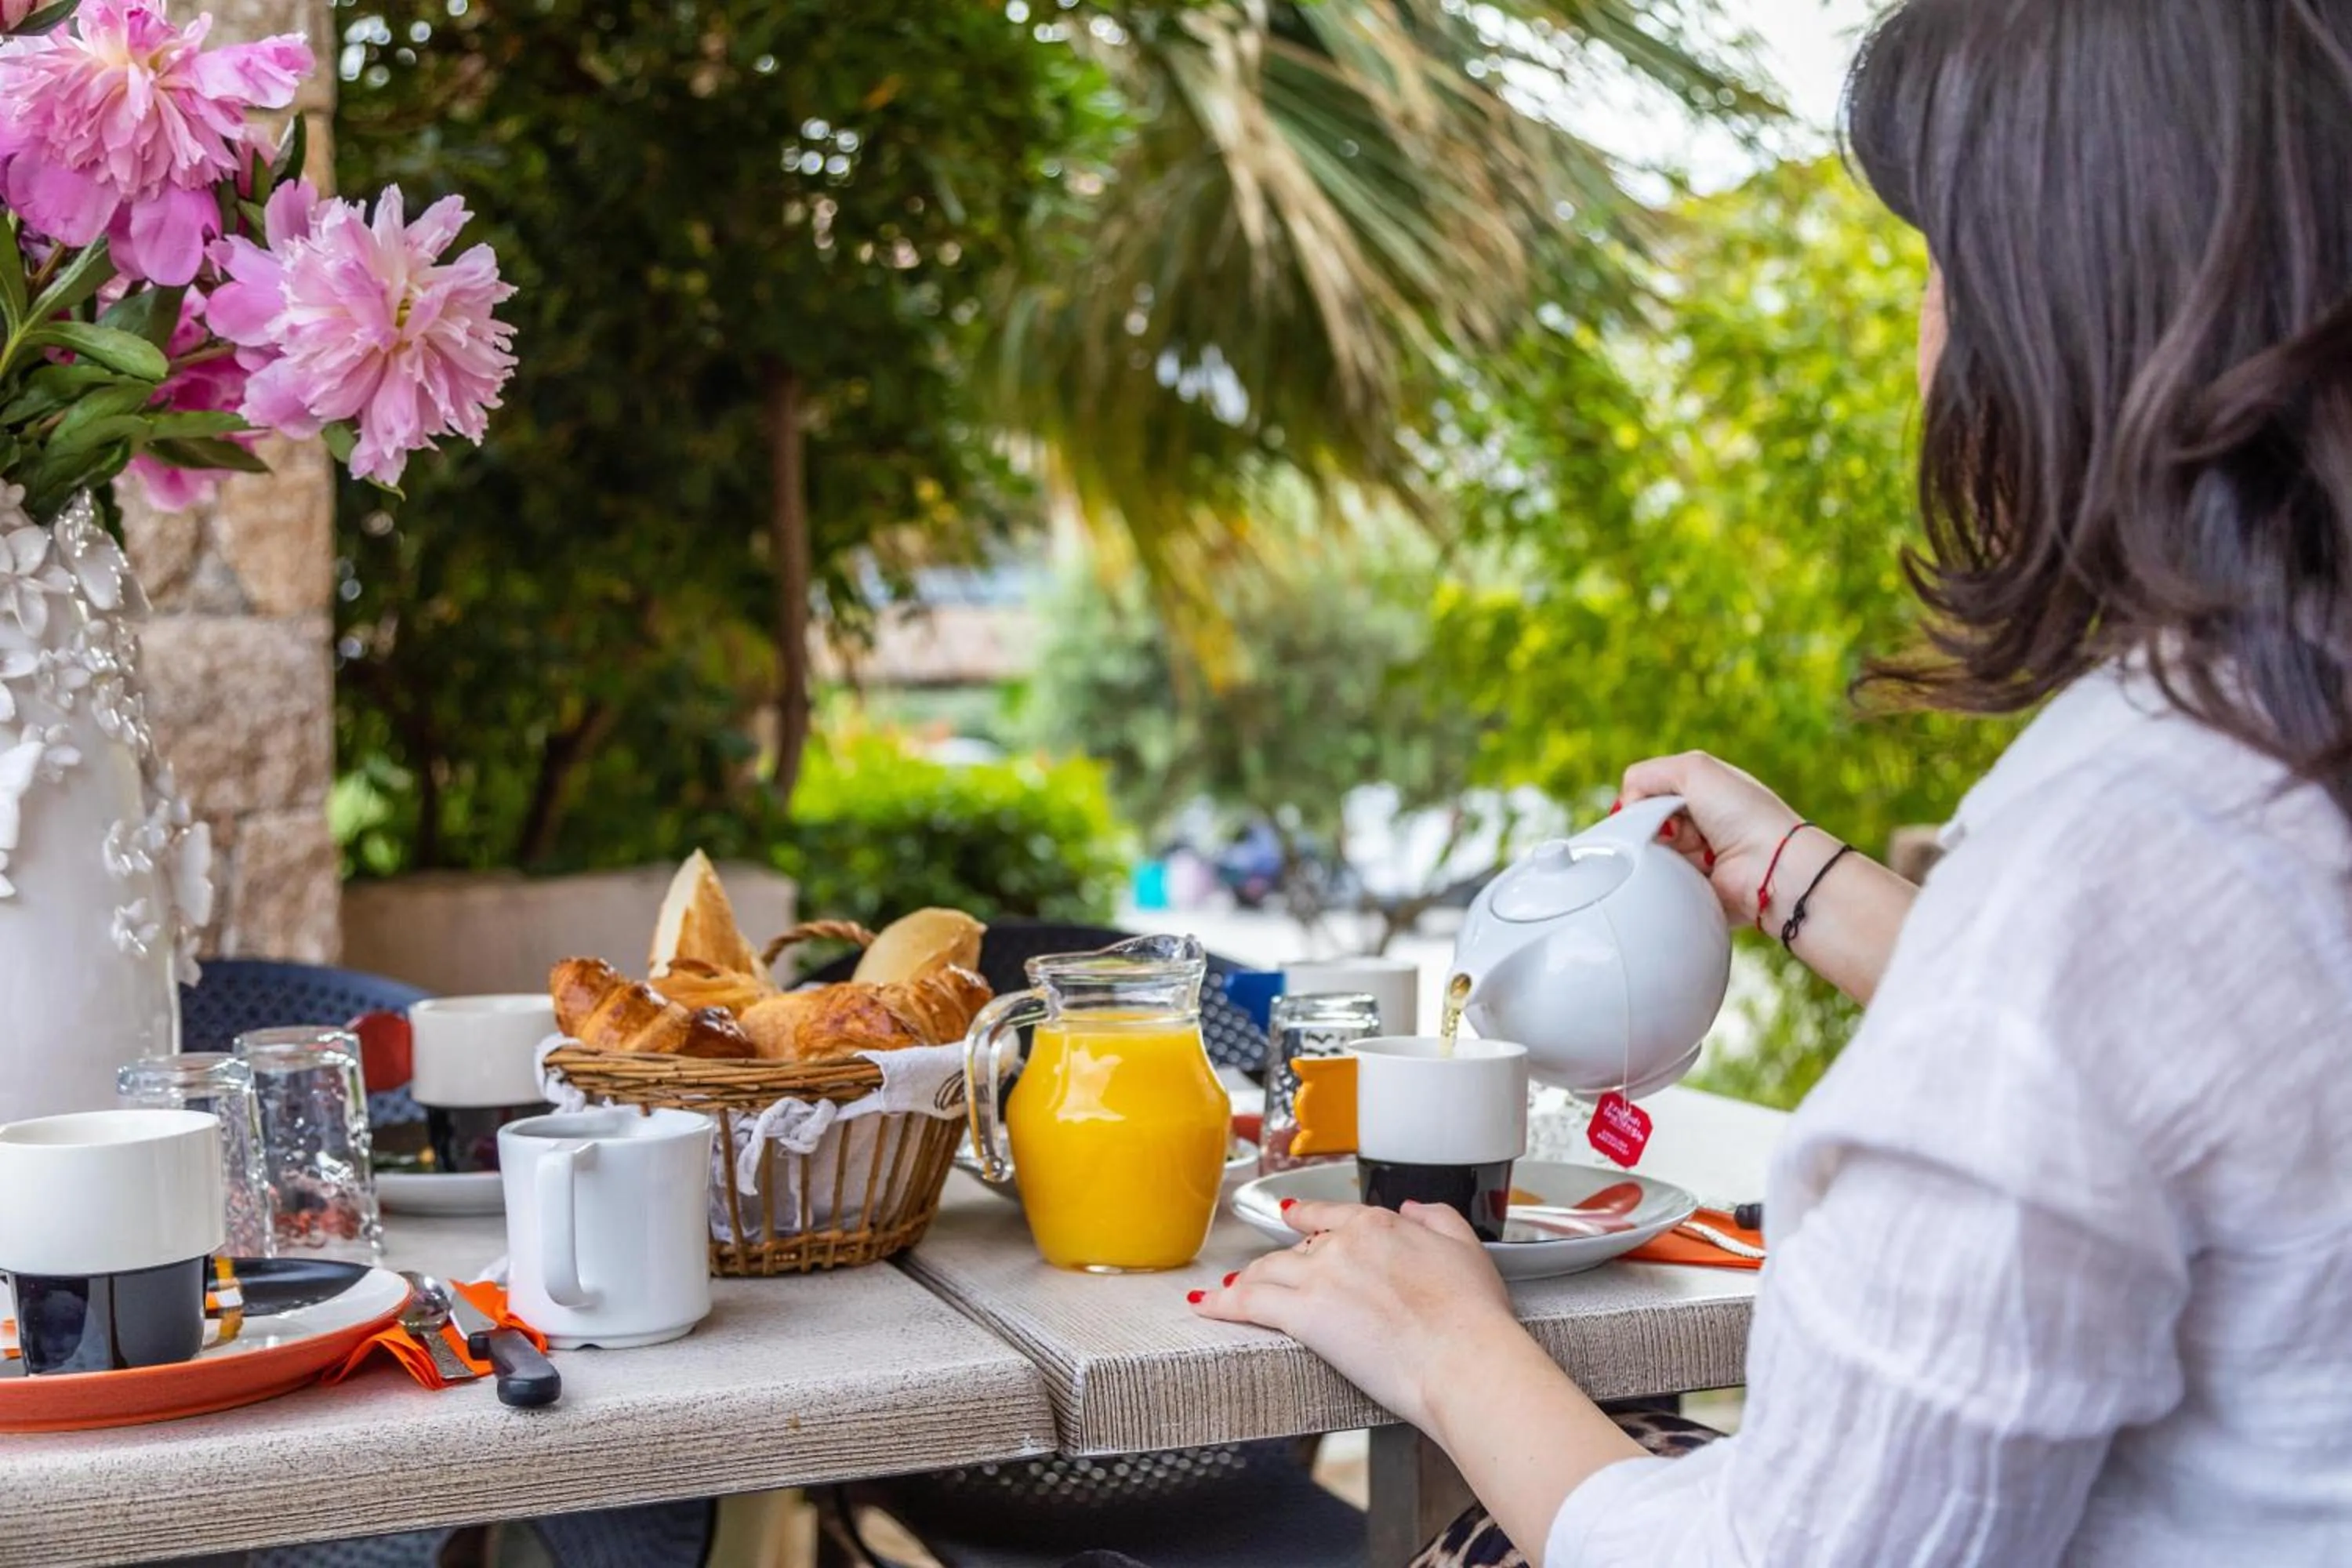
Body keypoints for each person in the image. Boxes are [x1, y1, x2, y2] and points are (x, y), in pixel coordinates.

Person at [1188, 0, 2352, 1562]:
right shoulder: (2268, 759)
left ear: (2068, 314)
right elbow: (2203, 1047)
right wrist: (1804, 876)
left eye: (1940, 264)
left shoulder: (2119, 844)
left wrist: (1445, 1341)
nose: (1928, 332)